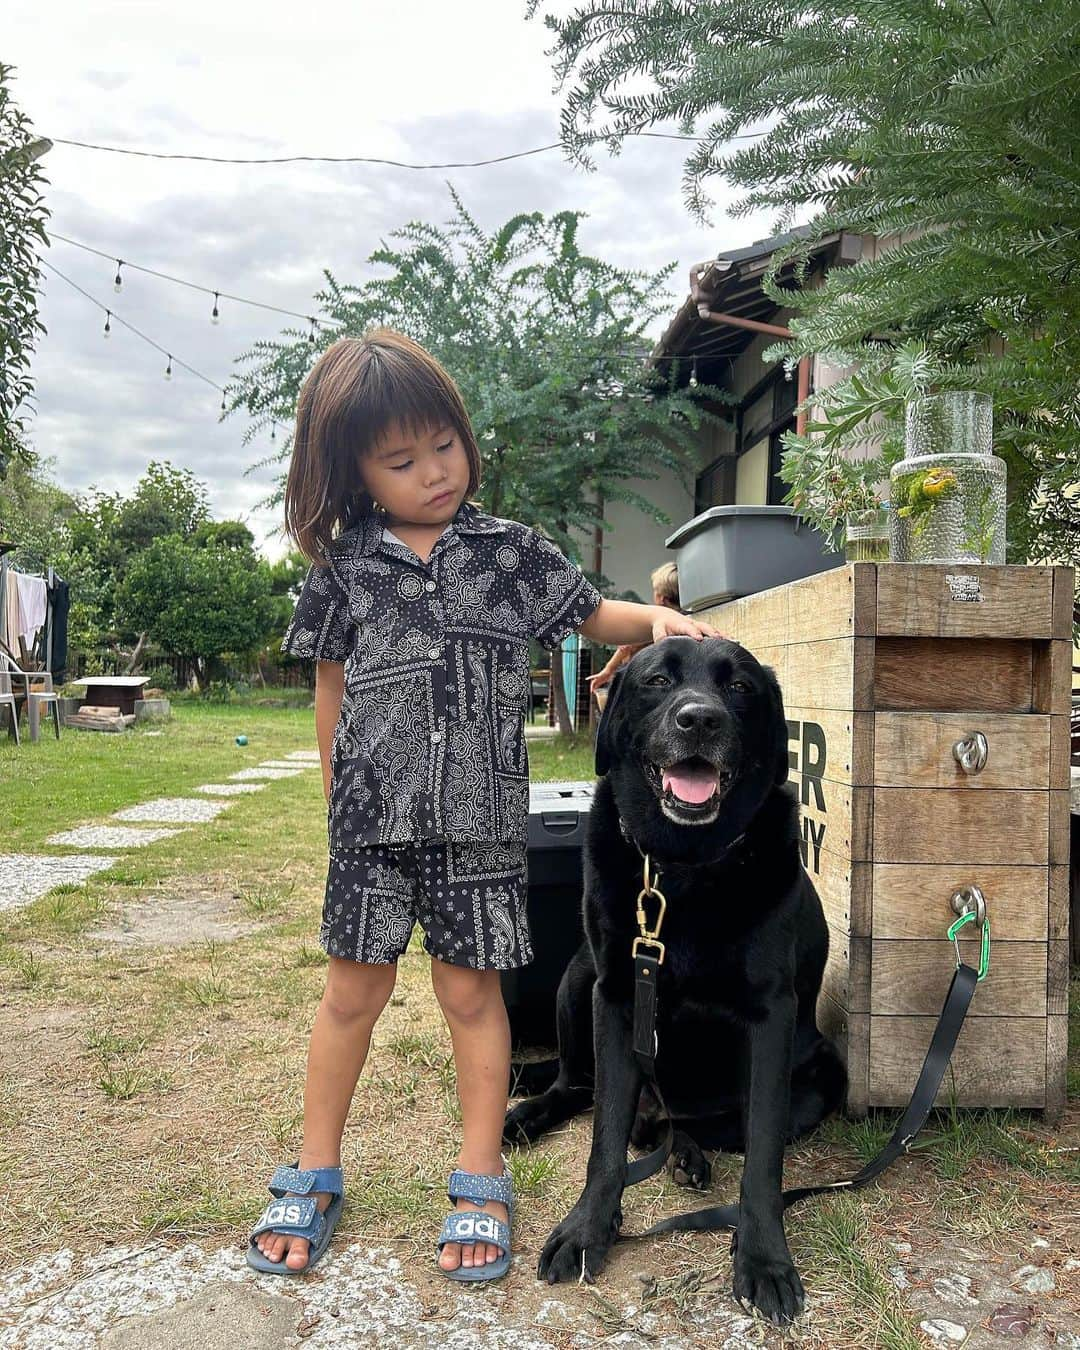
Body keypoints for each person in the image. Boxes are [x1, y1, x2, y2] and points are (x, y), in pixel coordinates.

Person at [246, 329, 718, 1283]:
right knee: (350, 995)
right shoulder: (344, 567)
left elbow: (593, 615)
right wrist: (337, 797)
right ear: (357, 472)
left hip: (481, 825)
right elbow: (331, 688)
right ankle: (316, 1167)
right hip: (373, 828)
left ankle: (478, 1172)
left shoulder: (511, 557)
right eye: (402, 460)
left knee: (472, 996)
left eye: (445, 447)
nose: (433, 472)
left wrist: (658, 617)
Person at [587, 560, 681, 692]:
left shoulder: (656, 621)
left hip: (644, 684)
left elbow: (626, 648)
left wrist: (608, 670)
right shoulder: (686, 621)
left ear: (661, 598)